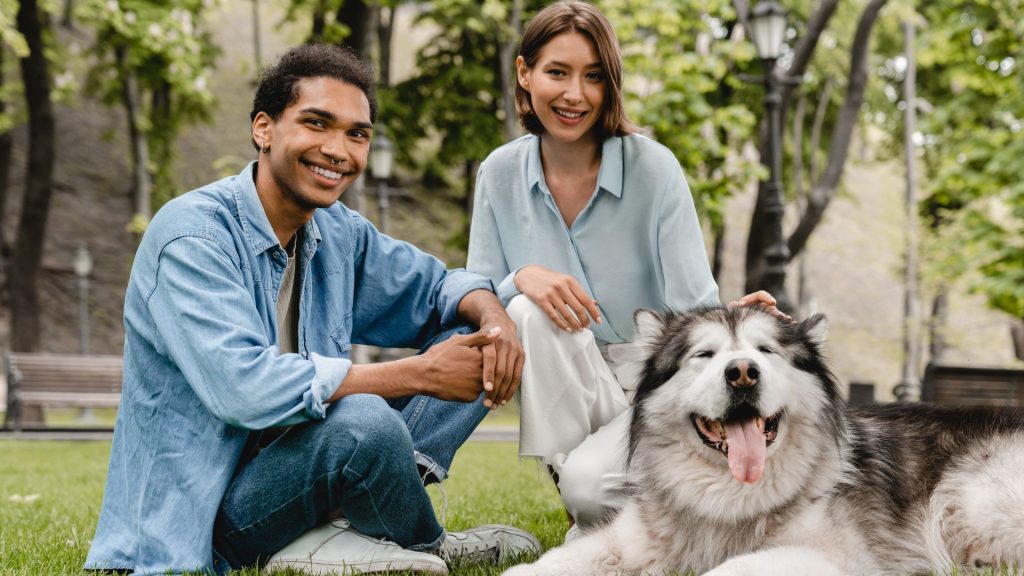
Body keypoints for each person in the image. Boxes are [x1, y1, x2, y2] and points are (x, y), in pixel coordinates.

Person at [84, 44, 538, 576]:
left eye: (357, 134)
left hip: (305, 472)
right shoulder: (192, 237)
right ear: (264, 129)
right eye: (317, 123)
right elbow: (244, 389)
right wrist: (421, 373)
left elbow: (439, 286)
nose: (337, 149)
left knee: (491, 320)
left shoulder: (336, 232)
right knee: (364, 422)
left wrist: (499, 318)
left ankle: (354, 523)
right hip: (208, 522)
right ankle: (423, 541)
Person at [467, 0, 782, 539]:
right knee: (523, 309)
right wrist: (520, 277)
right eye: (557, 72)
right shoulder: (498, 173)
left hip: (654, 380)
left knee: (593, 492)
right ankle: (590, 508)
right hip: (567, 373)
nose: (575, 95)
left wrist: (734, 323)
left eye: (594, 76)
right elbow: (476, 298)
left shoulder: (653, 168)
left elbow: (692, 304)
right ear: (525, 73)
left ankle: (601, 507)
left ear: (611, 84)